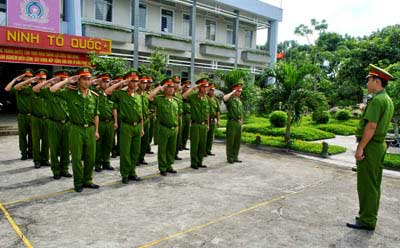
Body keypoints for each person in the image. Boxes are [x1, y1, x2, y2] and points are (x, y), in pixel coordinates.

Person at [346, 64, 394, 231]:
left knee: (367, 185)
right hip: (379, 146)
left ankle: (367, 220)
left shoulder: (377, 100)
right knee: (374, 184)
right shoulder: (387, 99)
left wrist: (360, 148)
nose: (367, 83)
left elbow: (371, 126)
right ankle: (369, 216)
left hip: (371, 147)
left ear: (377, 81)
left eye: (369, 80)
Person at [50, 67, 100, 192]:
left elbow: (96, 114)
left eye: (89, 79)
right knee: (77, 157)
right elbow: (52, 89)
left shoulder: (94, 96)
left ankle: (88, 180)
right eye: (84, 79)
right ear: (78, 80)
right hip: (76, 129)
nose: (87, 82)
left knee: (90, 157)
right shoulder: (69, 93)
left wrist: (97, 130)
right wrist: (67, 81)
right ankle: (78, 182)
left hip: (90, 129)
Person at [32, 70, 72, 179]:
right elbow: (35, 89)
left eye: (64, 79)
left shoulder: (69, 92)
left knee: (66, 148)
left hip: (67, 124)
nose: (62, 81)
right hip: (54, 123)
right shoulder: (48, 92)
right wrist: (49, 81)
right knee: (54, 148)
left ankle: (64, 169)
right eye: (60, 79)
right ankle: (56, 170)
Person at [105, 70, 143, 184]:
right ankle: (125, 174)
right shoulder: (120, 94)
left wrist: (142, 128)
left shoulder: (138, 96)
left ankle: (132, 172)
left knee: (135, 151)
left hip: (137, 126)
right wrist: (121, 83)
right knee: (125, 152)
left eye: (137, 81)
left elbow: (140, 112)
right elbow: (107, 91)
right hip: (126, 126)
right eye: (132, 81)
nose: (135, 83)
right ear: (127, 81)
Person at [15, 69, 50, 168]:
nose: (42, 81)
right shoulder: (31, 89)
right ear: (36, 79)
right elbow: (17, 87)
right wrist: (29, 80)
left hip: (47, 119)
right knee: (35, 141)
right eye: (40, 79)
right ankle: (37, 160)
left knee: (46, 141)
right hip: (36, 118)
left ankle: (45, 159)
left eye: (44, 79)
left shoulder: (49, 89)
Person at [148, 78, 178, 176]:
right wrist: (159, 88)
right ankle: (163, 167)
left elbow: (177, 115)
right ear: (164, 88)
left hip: (173, 128)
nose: (171, 89)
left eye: (172, 87)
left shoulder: (175, 101)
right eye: (168, 87)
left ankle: (169, 165)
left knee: (171, 149)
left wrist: (177, 126)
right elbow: (149, 97)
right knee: (163, 149)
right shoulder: (159, 99)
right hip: (163, 128)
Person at [4, 69, 34, 160]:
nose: (28, 78)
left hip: (32, 116)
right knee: (22, 136)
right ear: (23, 78)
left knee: (32, 136)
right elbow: (7, 89)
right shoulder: (18, 88)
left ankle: (31, 153)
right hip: (22, 115)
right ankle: (24, 153)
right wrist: (15, 79)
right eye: (26, 77)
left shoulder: (34, 88)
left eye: (30, 77)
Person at [183, 78, 210, 169]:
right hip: (195, 124)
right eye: (204, 87)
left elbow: (207, 113)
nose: (206, 89)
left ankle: (200, 161)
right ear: (200, 87)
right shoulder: (193, 97)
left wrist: (208, 124)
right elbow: (184, 97)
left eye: (207, 87)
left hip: (203, 124)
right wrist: (192, 88)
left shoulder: (206, 98)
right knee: (195, 144)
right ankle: (194, 163)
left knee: (202, 144)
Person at [94, 72, 117, 172]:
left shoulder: (111, 95)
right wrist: (96, 81)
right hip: (100, 122)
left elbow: (114, 109)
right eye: (103, 81)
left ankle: (106, 162)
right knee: (98, 144)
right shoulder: (95, 92)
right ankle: (97, 164)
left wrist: (115, 121)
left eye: (107, 81)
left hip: (110, 122)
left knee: (108, 144)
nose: (106, 83)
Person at [223, 83, 244, 164]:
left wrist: (241, 123)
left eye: (240, 91)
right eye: (238, 91)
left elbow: (241, 113)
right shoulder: (230, 100)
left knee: (237, 141)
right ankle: (230, 157)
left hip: (238, 123)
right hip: (231, 122)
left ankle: (235, 157)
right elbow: (224, 98)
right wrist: (232, 92)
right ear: (234, 91)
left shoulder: (240, 102)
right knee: (230, 141)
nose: (239, 93)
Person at [138, 75, 150, 165]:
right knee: (138, 141)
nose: (144, 85)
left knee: (145, 140)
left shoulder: (147, 94)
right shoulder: (136, 93)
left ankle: (142, 157)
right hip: (138, 120)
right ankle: (136, 158)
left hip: (146, 119)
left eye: (145, 83)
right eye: (142, 82)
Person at [206, 82, 221, 156]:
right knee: (205, 137)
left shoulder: (215, 100)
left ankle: (208, 150)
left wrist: (218, 121)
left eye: (213, 90)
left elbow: (218, 111)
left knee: (211, 137)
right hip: (206, 120)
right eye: (210, 90)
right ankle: (203, 151)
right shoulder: (205, 98)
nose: (212, 91)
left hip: (212, 120)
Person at [172, 75, 183, 160]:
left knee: (178, 137)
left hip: (179, 118)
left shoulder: (179, 94)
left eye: (178, 83)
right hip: (172, 118)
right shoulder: (169, 93)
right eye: (175, 82)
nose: (177, 84)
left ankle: (175, 153)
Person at [180, 80, 191, 150]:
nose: (187, 88)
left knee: (186, 132)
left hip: (188, 115)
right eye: (186, 87)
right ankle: (179, 145)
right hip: (182, 115)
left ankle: (184, 144)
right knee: (181, 131)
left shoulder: (190, 97)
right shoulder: (180, 95)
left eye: (188, 87)